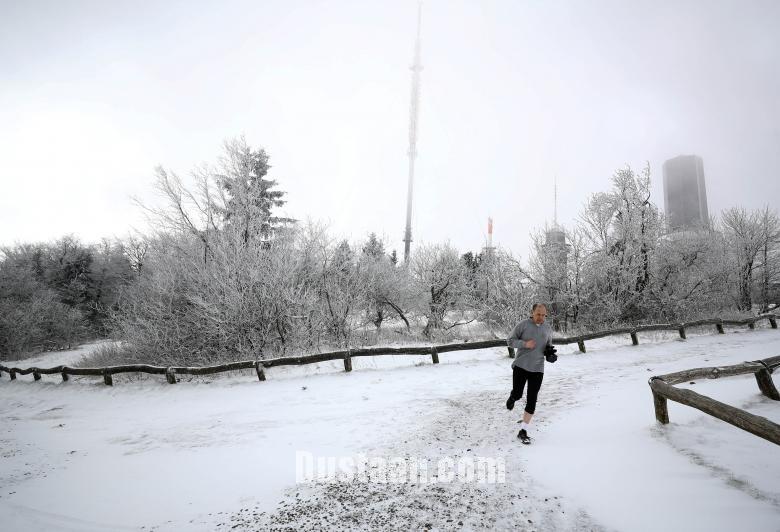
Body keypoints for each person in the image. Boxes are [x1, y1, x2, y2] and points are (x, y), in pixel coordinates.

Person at [505, 303, 556, 444]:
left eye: (544, 315)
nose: (541, 317)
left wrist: (550, 355)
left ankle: (523, 430)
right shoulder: (523, 325)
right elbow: (510, 341)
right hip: (521, 365)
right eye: (538, 314)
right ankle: (513, 397)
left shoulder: (547, 328)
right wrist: (524, 344)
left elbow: (548, 346)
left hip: (538, 368)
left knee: (532, 399)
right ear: (532, 313)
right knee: (518, 393)